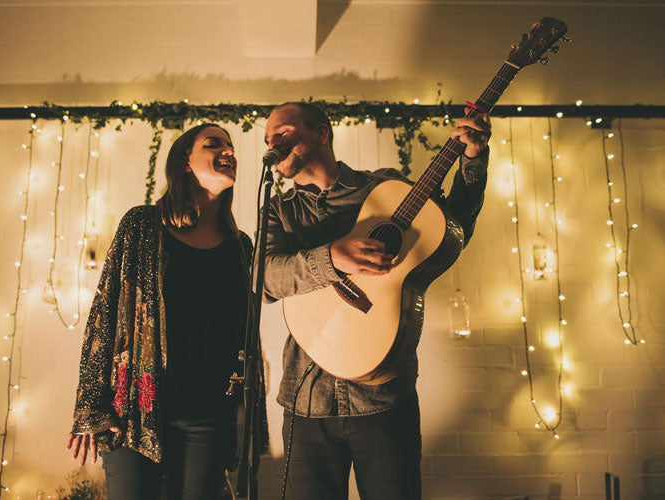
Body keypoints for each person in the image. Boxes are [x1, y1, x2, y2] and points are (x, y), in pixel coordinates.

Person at [260, 102, 491, 500]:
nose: (272, 143)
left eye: (282, 133)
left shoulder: (382, 189)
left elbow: (450, 230)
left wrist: (472, 160)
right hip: (307, 399)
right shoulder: (279, 211)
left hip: (384, 394)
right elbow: (263, 279)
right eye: (267, 139)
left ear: (321, 134)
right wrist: (332, 257)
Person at [66, 123, 263, 499]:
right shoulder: (141, 225)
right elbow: (104, 313)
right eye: (214, 143)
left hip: (209, 415)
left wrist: (243, 419)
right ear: (185, 163)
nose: (228, 151)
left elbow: (243, 336)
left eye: (231, 146)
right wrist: (89, 405)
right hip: (134, 414)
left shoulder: (242, 247)